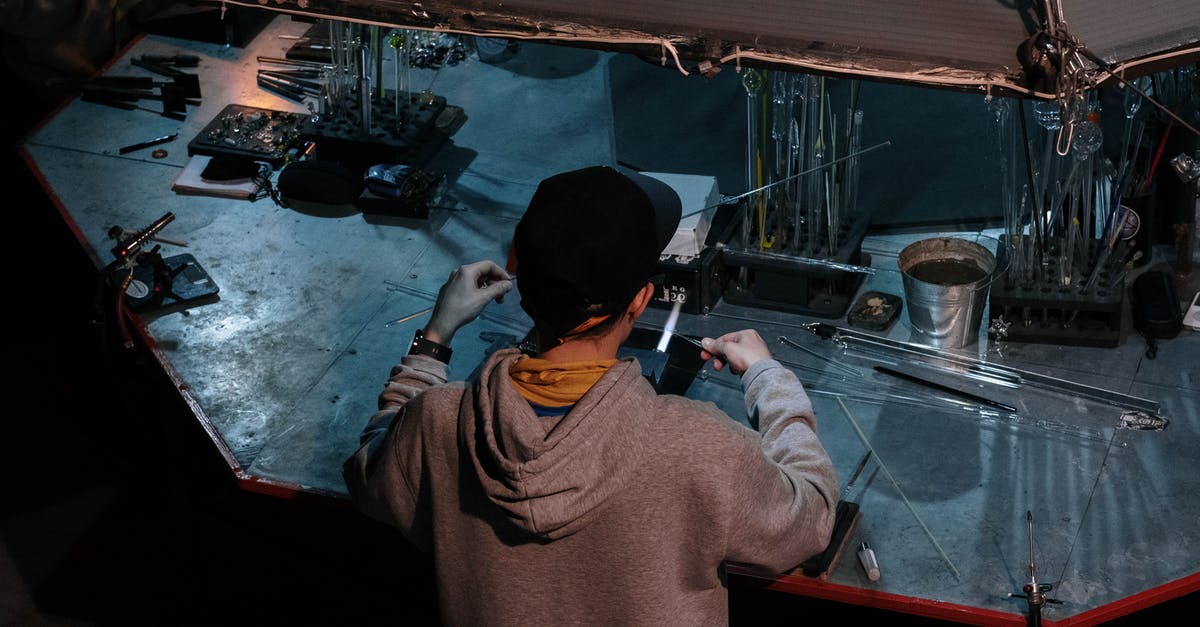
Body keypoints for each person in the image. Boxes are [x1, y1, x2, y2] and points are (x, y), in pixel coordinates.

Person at [343, 165, 839, 626]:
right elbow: (811, 517)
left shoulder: (437, 424)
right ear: (642, 300)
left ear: (514, 267)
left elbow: (371, 480)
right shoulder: (698, 446)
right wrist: (769, 379)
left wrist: (435, 336)